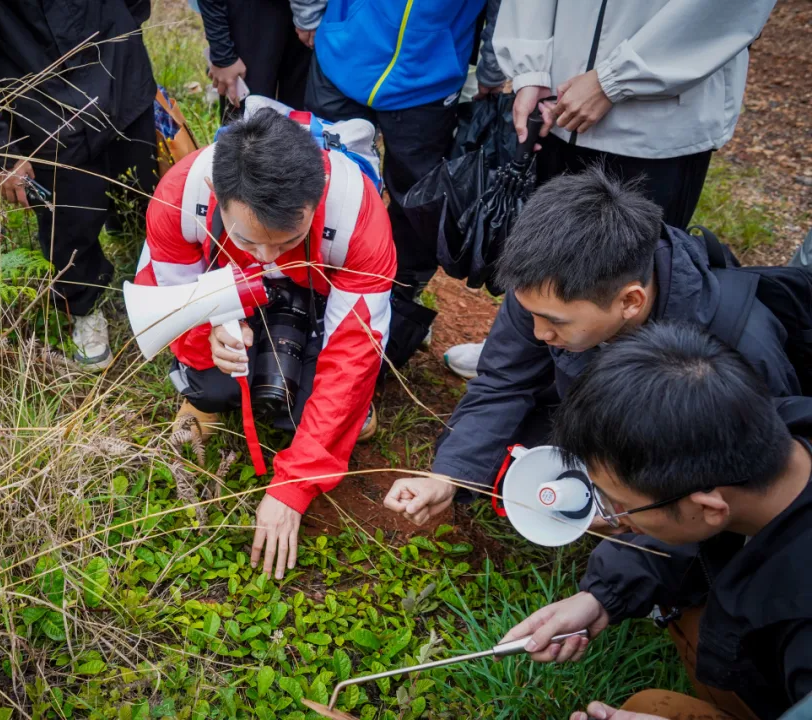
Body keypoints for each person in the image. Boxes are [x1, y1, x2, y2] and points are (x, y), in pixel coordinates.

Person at [384, 167, 800, 522]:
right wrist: (448, 476)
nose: (538, 333)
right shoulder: (546, 279)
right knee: (512, 475)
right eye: (530, 314)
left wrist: (636, 508)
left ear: (630, 302)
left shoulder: (735, 348)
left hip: (683, 466)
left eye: (555, 323)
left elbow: (759, 486)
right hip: (592, 412)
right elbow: (504, 380)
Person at [444, 0, 777, 378]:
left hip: (659, 118)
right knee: (542, 253)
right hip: (558, 101)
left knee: (629, 272)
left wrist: (614, 79)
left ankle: (616, 386)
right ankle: (520, 357)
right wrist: (530, 69)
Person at [499, 322, 812, 720]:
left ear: (709, 508)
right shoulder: (765, 428)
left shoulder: (799, 617)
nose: (609, 517)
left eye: (619, 506)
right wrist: (601, 598)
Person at [136, 110, 395, 579]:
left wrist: (294, 486)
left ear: (317, 201)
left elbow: (354, 352)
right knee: (212, 385)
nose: (269, 256)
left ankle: (352, 413)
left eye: (288, 239)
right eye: (250, 239)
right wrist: (206, 334)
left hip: (319, 295)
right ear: (217, 196)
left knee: (305, 409)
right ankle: (203, 401)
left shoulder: (357, 214)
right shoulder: (180, 197)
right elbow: (170, 299)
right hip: (226, 287)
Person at [0, 0, 158, 370]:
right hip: (37, 91)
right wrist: (0, 149)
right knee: (71, 215)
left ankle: (156, 273)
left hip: (114, 54)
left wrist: (128, 23)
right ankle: (84, 307)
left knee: (143, 183)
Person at [291, 0, 504, 309]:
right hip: (343, 53)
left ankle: (399, 295)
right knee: (321, 179)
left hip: (430, 78)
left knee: (417, 199)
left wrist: (492, 66)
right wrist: (308, 13)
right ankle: (307, 281)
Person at [197, 0, 311, 119]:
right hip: (250, 14)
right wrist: (223, 54)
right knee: (246, 116)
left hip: (312, 13)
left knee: (302, 116)